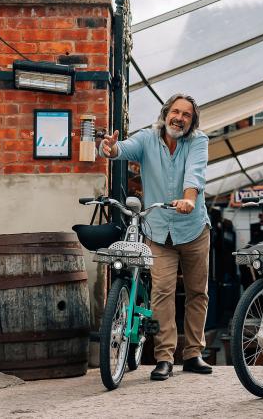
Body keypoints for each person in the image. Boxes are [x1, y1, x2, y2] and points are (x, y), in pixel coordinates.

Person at [99, 93, 213, 380]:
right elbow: (121, 150)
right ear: (166, 113)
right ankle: (164, 357)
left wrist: (188, 199)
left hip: (194, 229)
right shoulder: (147, 139)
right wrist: (109, 149)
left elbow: (195, 174)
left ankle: (193, 354)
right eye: (176, 112)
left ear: (192, 120)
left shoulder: (198, 141)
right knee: (163, 293)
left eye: (187, 115)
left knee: (197, 292)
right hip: (159, 230)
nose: (180, 118)